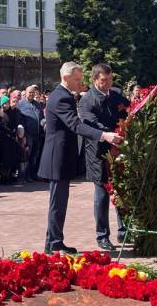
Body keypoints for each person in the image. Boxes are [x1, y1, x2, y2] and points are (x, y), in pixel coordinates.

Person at [39, 62, 123, 255]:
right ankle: (54, 243)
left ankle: (53, 241)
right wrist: (104, 135)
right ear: (66, 77)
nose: (80, 82)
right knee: (57, 203)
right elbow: (75, 125)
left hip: (61, 157)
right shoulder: (61, 97)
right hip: (57, 158)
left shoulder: (65, 95)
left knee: (59, 203)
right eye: (77, 79)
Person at [78, 63, 129, 251]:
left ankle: (124, 229)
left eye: (110, 79)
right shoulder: (87, 100)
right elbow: (89, 123)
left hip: (118, 151)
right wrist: (109, 134)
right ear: (94, 80)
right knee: (102, 195)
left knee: (121, 190)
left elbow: (129, 112)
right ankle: (102, 235)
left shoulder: (116, 96)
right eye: (103, 80)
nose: (107, 83)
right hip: (97, 153)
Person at [18, 85, 44, 182]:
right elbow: (19, 120)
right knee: (27, 156)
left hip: (37, 134)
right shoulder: (20, 104)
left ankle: (34, 174)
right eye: (30, 92)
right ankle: (26, 175)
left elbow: (41, 118)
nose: (31, 94)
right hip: (27, 135)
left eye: (33, 92)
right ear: (25, 93)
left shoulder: (38, 104)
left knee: (35, 156)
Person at [0, 95, 24, 184]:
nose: (7, 105)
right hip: (3, 139)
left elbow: (14, 124)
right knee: (3, 160)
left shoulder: (11, 112)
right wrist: (8, 132)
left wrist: (14, 132)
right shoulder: (0, 113)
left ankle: (9, 177)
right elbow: (0, 125)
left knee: (11, 159)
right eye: (5, 103)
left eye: (8, 103)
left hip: (11, 139)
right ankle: (3, 177)